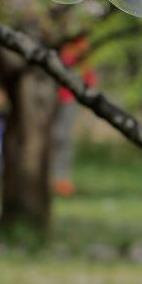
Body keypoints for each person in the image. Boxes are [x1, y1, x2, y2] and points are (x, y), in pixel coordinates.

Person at [51, 36, 96, 196]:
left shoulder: (82, 60)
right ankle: (55, 179)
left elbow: (90, 80)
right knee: (57, 139)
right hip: (56, 101)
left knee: (64, 140)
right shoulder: (64, 53)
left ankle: (61, 179)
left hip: (70, 102)